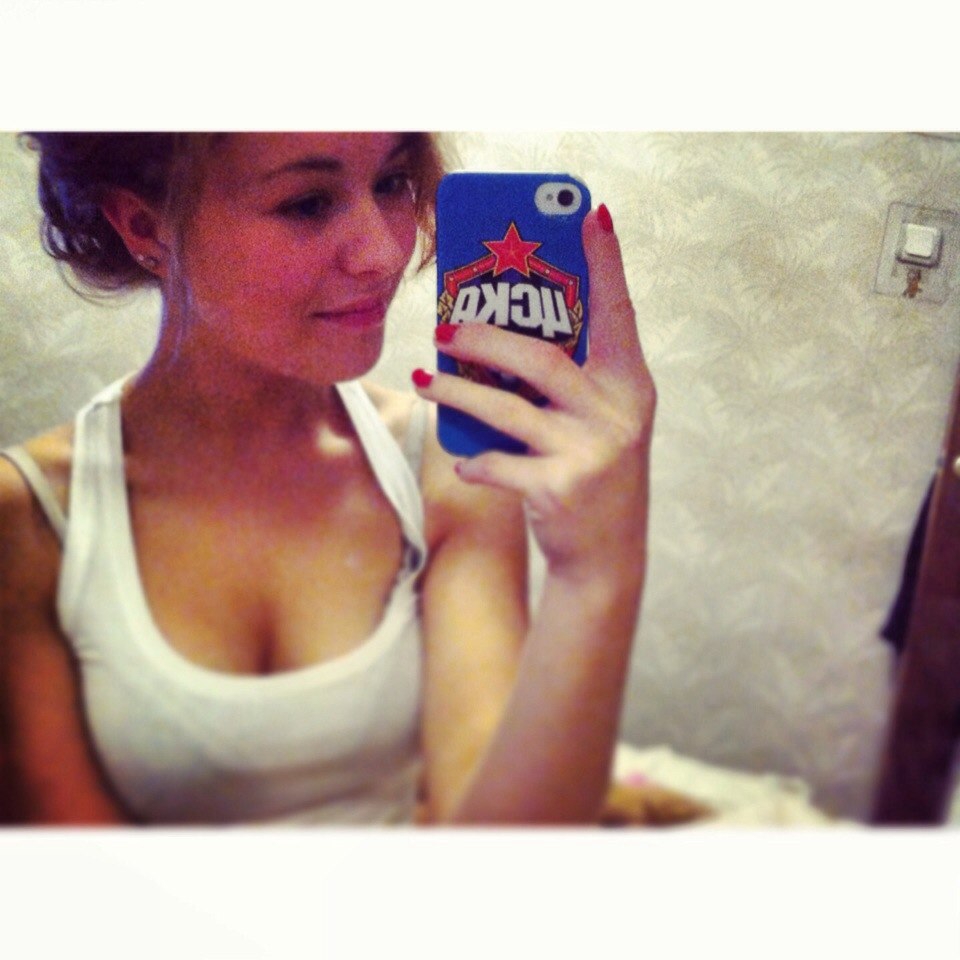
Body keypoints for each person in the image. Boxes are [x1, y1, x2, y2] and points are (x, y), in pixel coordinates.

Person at [0, 132, 655, 825]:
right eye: (308, 202)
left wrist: (596, 572)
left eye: (393, 182)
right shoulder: (31, 518)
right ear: (143, 226)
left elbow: (494, 855)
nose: (384, 255)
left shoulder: (446, 474)